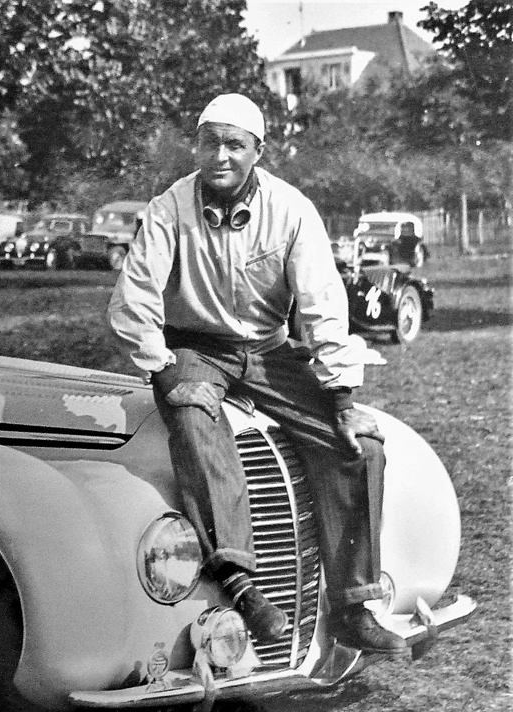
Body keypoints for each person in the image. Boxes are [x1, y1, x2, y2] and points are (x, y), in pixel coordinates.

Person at [108, 93, 405, 654]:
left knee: (359, 446)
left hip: (269, 351)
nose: (219, 156)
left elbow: (321, 303)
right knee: (195, 413)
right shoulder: (169, 208)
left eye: (234, 145)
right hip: (193, 347)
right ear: (195, 145)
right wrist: (164, 368)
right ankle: (242, 585)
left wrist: (340, 395)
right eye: (208, 142)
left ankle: (352, 605)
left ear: (258, 152)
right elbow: (134, 299)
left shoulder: (292, 208)